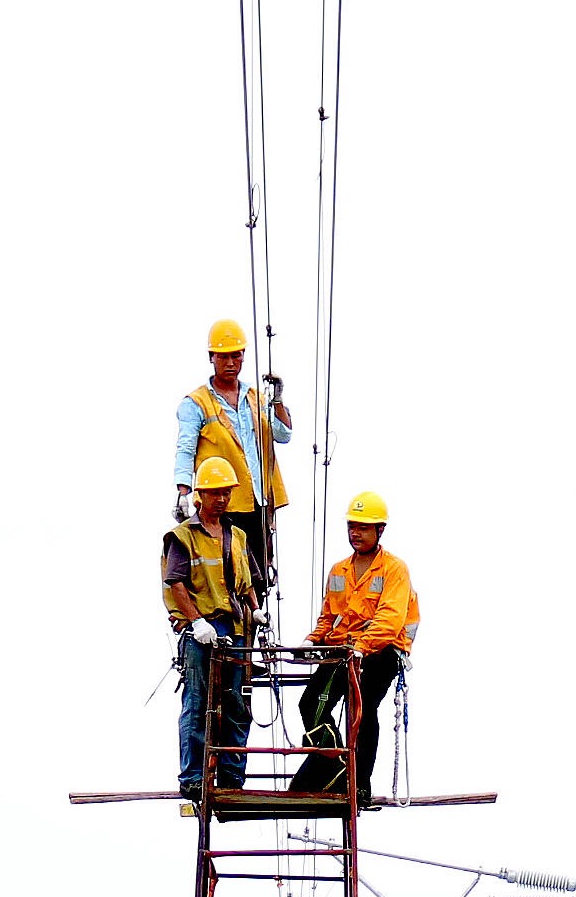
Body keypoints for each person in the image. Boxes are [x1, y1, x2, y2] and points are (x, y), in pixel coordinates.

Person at [295, 490, 418, 806]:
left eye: (363, 527)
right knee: (311, 704)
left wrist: (361, 647)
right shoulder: (339, 570)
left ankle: (358, 783)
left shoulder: (394, 569)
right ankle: (333, 766)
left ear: (379, 530)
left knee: (360, 708)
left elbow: (390, 620)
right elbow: (329, 616)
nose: (355, 533)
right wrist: (313, 640)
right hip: (344, 650)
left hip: (383, 651)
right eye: (352, 526)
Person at [163, 458, 260, 806]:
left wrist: (256, 611)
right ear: (201, 495)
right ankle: (192, 779)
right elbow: (175, 583)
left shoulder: (236, 535)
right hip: (201, 627)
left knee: (236, 700)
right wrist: (195, 622)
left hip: (233, 626)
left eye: (225, 493)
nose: (221, 499)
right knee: (198, 702)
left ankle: (233, 776)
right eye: (215, 493)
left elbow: (248, 579)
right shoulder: (183, 537)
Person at [175, 319, 290, 597]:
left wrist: (277, 399)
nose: (230, 362)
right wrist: (183, 492)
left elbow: (283, 433)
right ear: (211, 358)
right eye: (223, 356)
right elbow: (186, 448)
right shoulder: (197, 403)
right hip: (222, 504)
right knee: (226, 576)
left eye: (236, 355)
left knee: (258, 576)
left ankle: (255, 626)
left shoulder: (255, 397)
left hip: (259, 502)